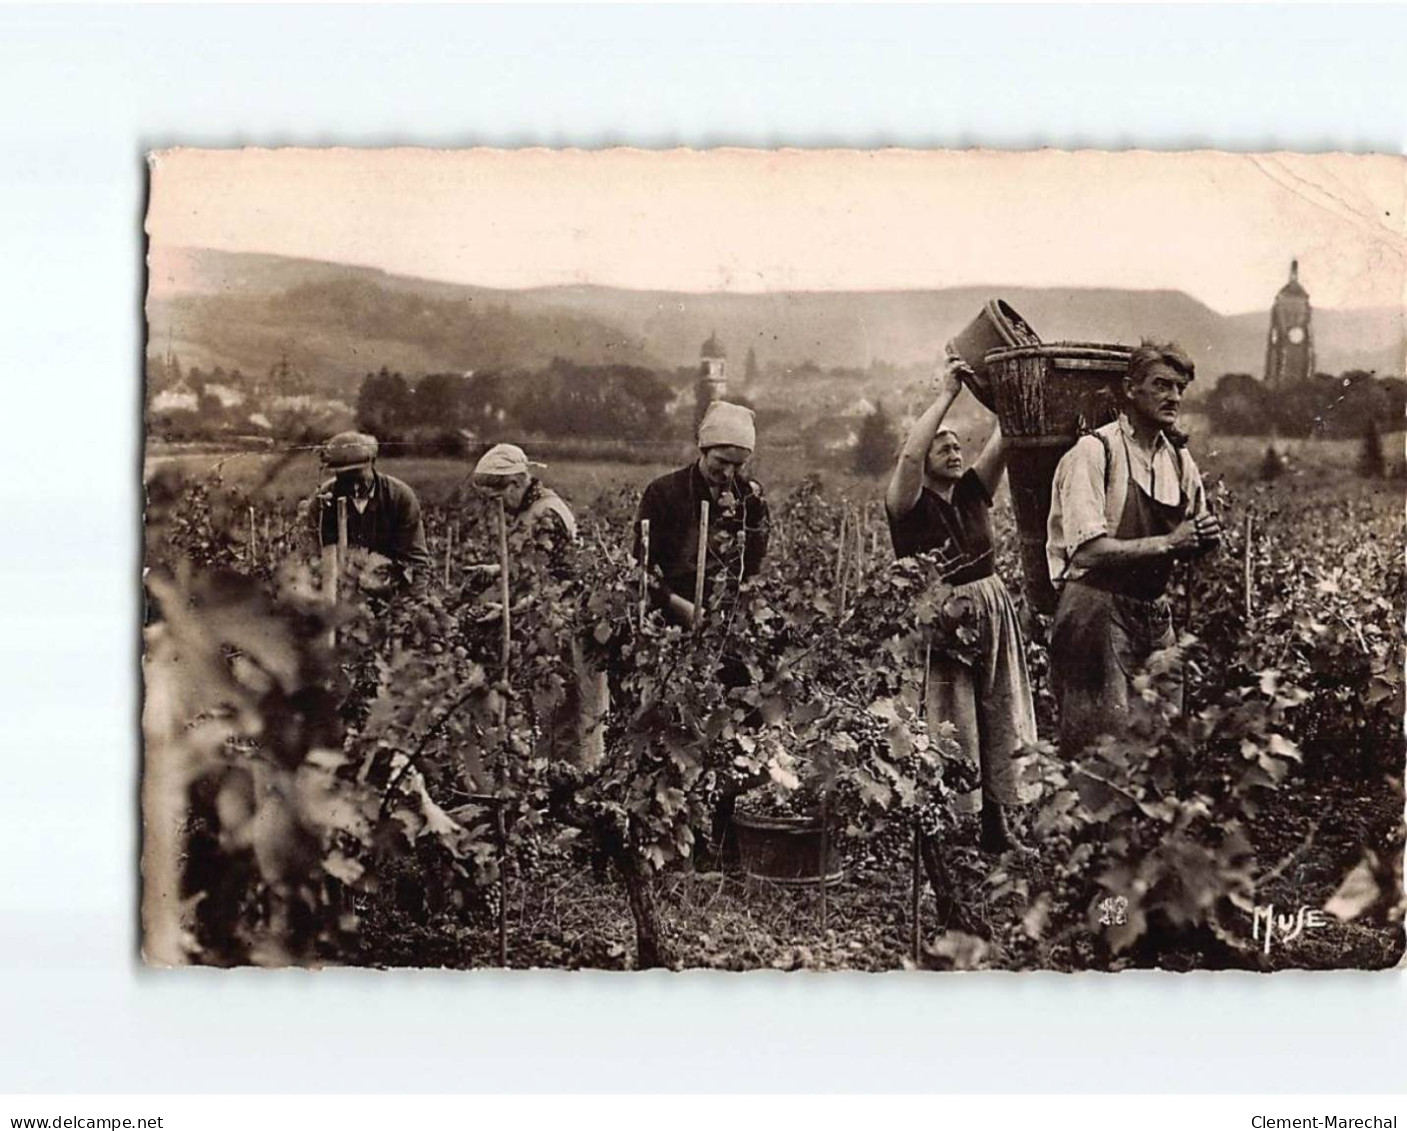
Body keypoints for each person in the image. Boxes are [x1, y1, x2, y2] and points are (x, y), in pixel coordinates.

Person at [886, 354, 1037, 854]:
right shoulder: (907, 506)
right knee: (953, 722)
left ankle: (997, 829)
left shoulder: (974, 491)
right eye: (940, 445)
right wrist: (947, 392)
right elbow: (909, 458)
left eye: (956, 443)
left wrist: (1019, 388)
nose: (952, 450)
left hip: (991, 614)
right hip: (941, 623)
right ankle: (943, 838)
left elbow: (1008, 437)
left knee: (997, 712)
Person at [1046, 340, 1222, 762]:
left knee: (1162, 750)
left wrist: (1205, 536)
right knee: (1101, 759)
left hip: (1153, 617)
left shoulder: (1179, 461)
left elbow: (1193, 532)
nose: (1173, 397)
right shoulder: (1095, 452)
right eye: (1161, 384)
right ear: (1130, 389)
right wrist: (1170, 543)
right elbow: (1086, 553)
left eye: (1179, 387)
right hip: (1096, 614)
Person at [470, 443, 607, 770]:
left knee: (571, 714)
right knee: (552, 713)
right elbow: (538, 568)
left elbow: (558, 585)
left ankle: (578, 791)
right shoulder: (535, 508)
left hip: (570, 626)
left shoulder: (545, 515)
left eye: (498, 499)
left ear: (516, 484)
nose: (497, 509)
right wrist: (498, 571)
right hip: (553, 623)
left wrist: (509, 612)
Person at [633, 401, 770, 628]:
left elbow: (753, 564)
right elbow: (641, 567)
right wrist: (681, 607)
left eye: (738, 465)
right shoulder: (664, 492)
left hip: (726, 622)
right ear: (704, 449)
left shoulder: (750, 498)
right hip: (667, 616)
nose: (728, 473)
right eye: (722, 461)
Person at [308, 431, 432, 592]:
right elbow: (313, 558)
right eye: (345, 479)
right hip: (338, 594)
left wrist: (411, 605)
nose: (355, 487)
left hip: (391, 591)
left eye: (358, 477)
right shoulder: (323, 501)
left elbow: (416, 561)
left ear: (372, 462)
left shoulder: (399, 497)